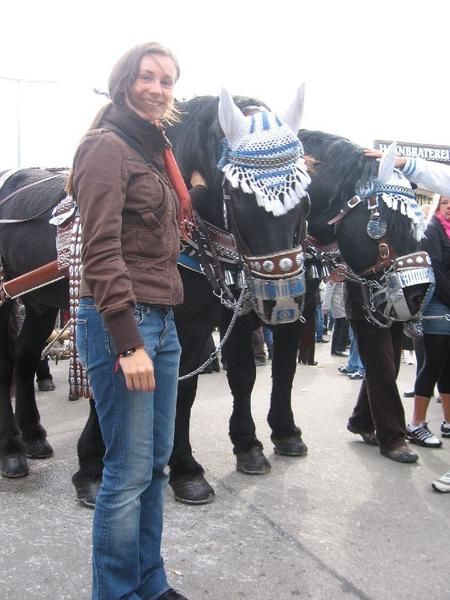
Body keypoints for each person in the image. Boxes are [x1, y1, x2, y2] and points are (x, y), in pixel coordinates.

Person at [71, 42, 193, 598]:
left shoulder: (153, 153)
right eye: (148, 77)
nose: (158, 88)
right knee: (124, 473)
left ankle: (149, 582)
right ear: (125, 82)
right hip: (126, 325)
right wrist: (127, 342)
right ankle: (116, 591)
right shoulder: (106, 147)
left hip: (162, 324)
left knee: (156, 468)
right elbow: (99, 251)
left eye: (167, 81)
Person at [366, 150, 450, 489]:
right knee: (414, 365)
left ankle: (375, 422)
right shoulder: (430, 229)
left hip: (418, 301)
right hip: (424, 303)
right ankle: (407, 426)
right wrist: (405, 164)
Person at [404, 194, 450, 448]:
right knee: (432, 364)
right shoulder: (432, 230)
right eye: (446, 203)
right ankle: (416, 424)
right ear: (438, 206)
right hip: (437, 304)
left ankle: (448, 421)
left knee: (448, 367)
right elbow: (436, 270)